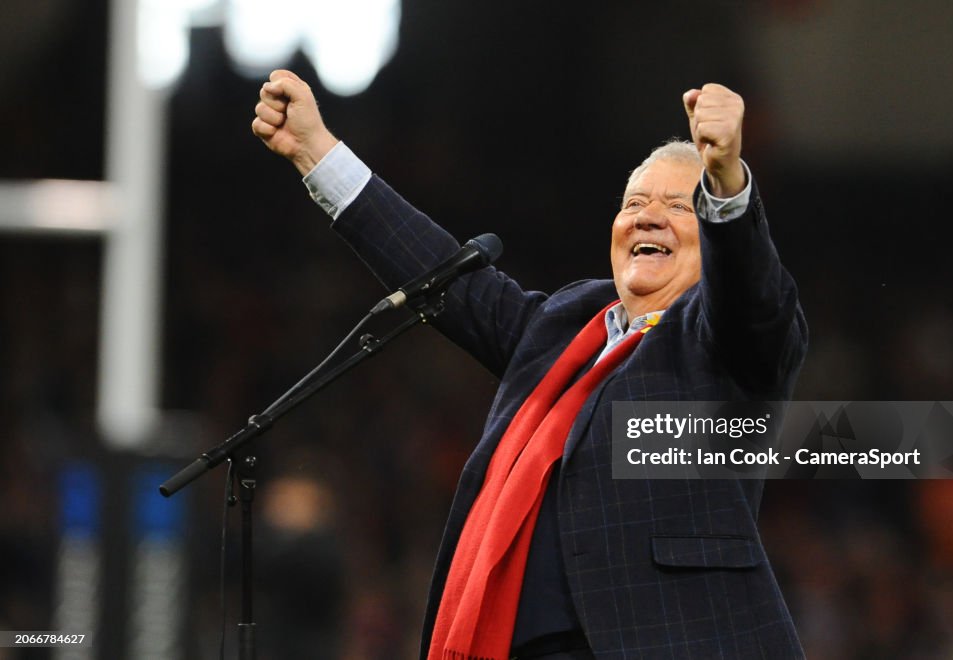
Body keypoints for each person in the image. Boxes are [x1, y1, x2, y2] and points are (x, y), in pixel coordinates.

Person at [252, 69, 808, 659]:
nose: (648, 217)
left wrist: (725, 184)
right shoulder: (564, 328)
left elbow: (753, 296)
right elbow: (442, 273)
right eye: (635, 203)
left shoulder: (724, 346)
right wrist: (316, 151)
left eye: (680, 206)